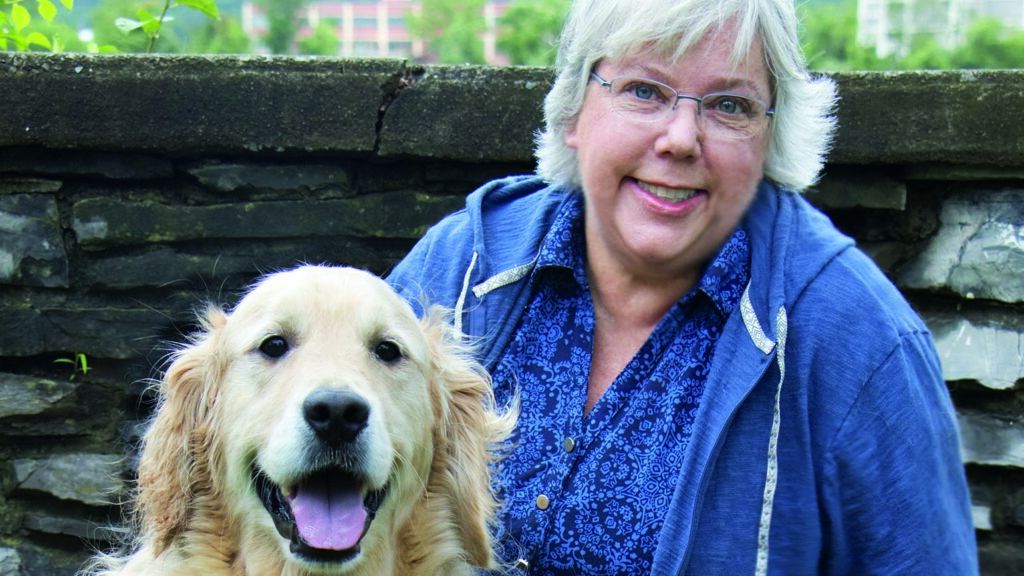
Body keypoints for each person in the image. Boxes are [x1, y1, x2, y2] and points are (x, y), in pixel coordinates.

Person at [387, 0, 978, 574]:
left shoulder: (859, 340)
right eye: (644, 91)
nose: (680, 138)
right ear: (574, 110)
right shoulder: (463, 265)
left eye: (729, 106)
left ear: (770, 137)